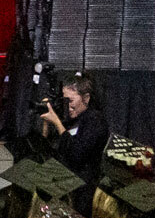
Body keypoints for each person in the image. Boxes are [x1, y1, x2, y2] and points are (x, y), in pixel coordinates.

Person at [37, 72, 110, 202]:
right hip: (62, 176)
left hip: (83, 184)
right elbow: (46, 151)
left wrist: (58, 124)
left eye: (70, 101)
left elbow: (77, 154)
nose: (68, 107)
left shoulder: (95, 120)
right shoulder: (70, 119)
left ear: (86, 98)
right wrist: (46, 124)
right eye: (64, 101)